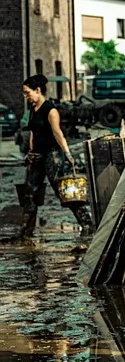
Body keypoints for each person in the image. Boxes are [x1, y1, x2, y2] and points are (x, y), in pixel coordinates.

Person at [20, 75, 92, 239]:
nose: (26, 96)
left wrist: (67, 154)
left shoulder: (50, 110)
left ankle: (87, 224)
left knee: (64, 192)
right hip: (37, 156)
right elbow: (33, 133)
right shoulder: (33, 110)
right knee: (29, 193)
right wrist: (30, 153)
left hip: (52, 156)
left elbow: (58, 133)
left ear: (37, 90)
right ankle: (26, 231)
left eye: (27, 93)